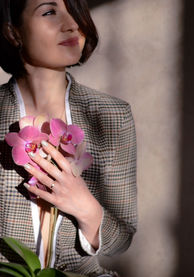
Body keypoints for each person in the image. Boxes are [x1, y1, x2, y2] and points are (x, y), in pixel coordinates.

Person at [0, 0, 137, 276]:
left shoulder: (113, 115)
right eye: (49, 12)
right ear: (13, 33)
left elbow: (121, 239)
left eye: (74, 11)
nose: (72, 23)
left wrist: (86, 207)